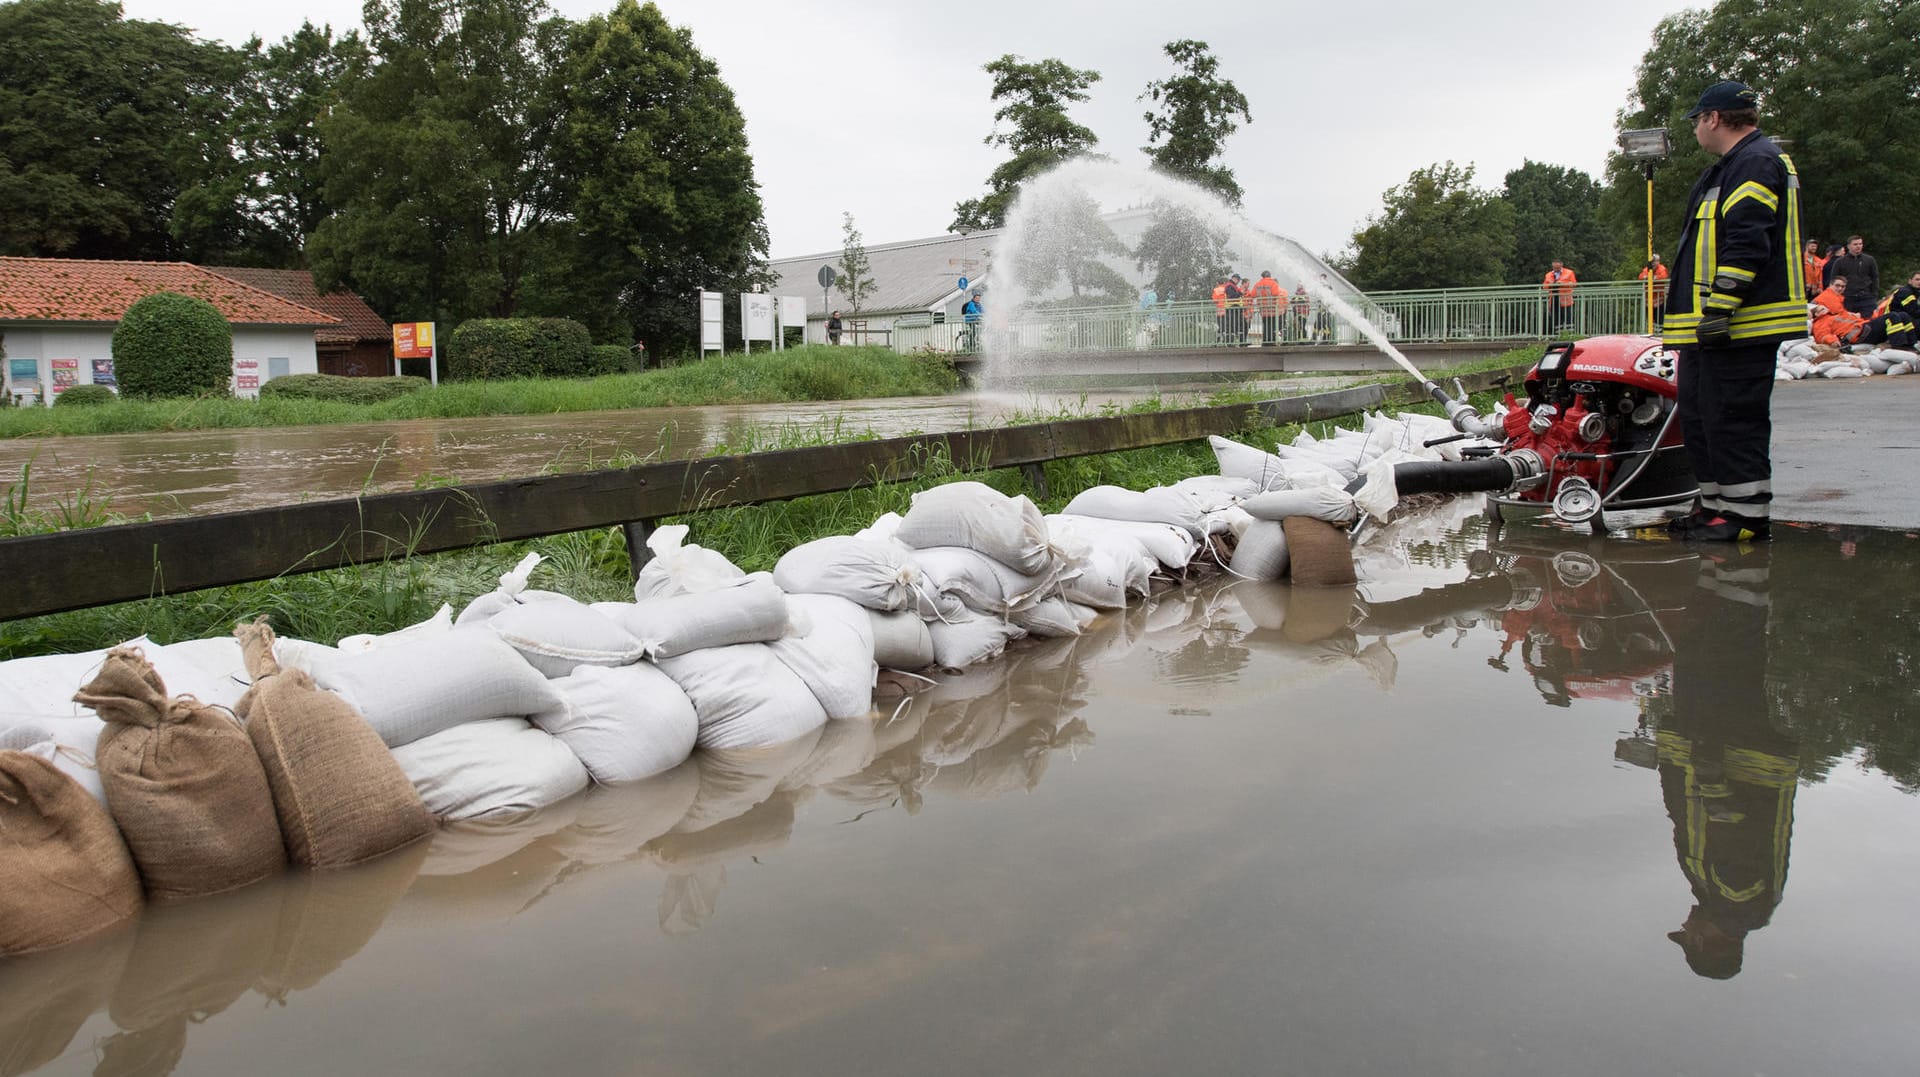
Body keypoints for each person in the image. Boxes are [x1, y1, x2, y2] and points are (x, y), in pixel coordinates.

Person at [1663, 80, 1806, 543]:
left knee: (1733, 419)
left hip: (1738, 325)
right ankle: (1714, 508)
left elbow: (1747, 241)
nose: (1696, 131)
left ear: (1714, 118)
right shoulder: (1728, 169)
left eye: (1697, 121)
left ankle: (1744, 517)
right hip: (1709, 330)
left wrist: (1721, 308)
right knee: (1703, 419)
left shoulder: (1756, 162)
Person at [1826, 235, 1879, 318]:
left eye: (1860, 244)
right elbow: (1833, 280)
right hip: (1848, 298)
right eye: (1855, 244)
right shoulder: (1840, 262)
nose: (1858, 246)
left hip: (1866, 297)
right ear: (1849, 246)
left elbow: (1875, 277)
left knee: (1870, 320)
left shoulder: (1869, 260)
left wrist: (1874, 294)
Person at [1249, 270, 1286, 346]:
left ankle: (1265, 341)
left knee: (1265, 325)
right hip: (1272, 308)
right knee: (1272, 325)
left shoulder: (1258, 284)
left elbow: (1252, 295)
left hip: (1263, 308)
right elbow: (1275, 293)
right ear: (1270, 275)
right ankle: (1271, 341)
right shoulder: (1273, 283)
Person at [1542, 259, 1578, 332]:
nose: (1556, 269)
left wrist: (1562, 283)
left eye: (1557, 267)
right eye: (1554, 267)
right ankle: (1558, 334)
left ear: (1561, 265)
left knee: (1568, 317)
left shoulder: (1569, 272)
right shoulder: (1548, 274)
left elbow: (1574, 284)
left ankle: (1570, 334)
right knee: (1556, 317)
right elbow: (1544, 286)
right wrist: (1551, 284)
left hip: (1565, 299)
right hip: (1553, 299)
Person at [1638, 254, 1671, 319]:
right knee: (1650, 320)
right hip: (1649, 300)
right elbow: (1640, 277)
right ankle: (1652, 328)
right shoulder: (1647, 269)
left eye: (1655, 261)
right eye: (1652, 261)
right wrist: (1647, 277)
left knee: (1659, 318)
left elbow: (1664, 276)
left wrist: (1653, 278)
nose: (1654, 263)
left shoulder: (1662, 269)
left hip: (1659, 300)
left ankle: (1659, 328)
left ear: (1658, 262)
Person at [1224, 274, 1247, 344]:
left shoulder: (1233, 286)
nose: (1239, 281)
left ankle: (1236, 341)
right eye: (1238, 280)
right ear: (1234, 278)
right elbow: (1231, 296)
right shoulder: (1229, 286)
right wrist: (1240, 293)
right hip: (1232, 308)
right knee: (1232, 326)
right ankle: (1231, 342)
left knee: (1236, 325)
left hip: (1235, 308)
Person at [1211, 277, 1229, 343]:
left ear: (1217, 283)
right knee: (1225, 325)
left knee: (1220, 325)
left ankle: (1218, 340)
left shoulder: (1216, 290)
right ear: (1224, 283)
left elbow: (1214, 300)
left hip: (1219, 310)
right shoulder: (1226, 289)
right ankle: (1225, 339)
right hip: (1226, 309)